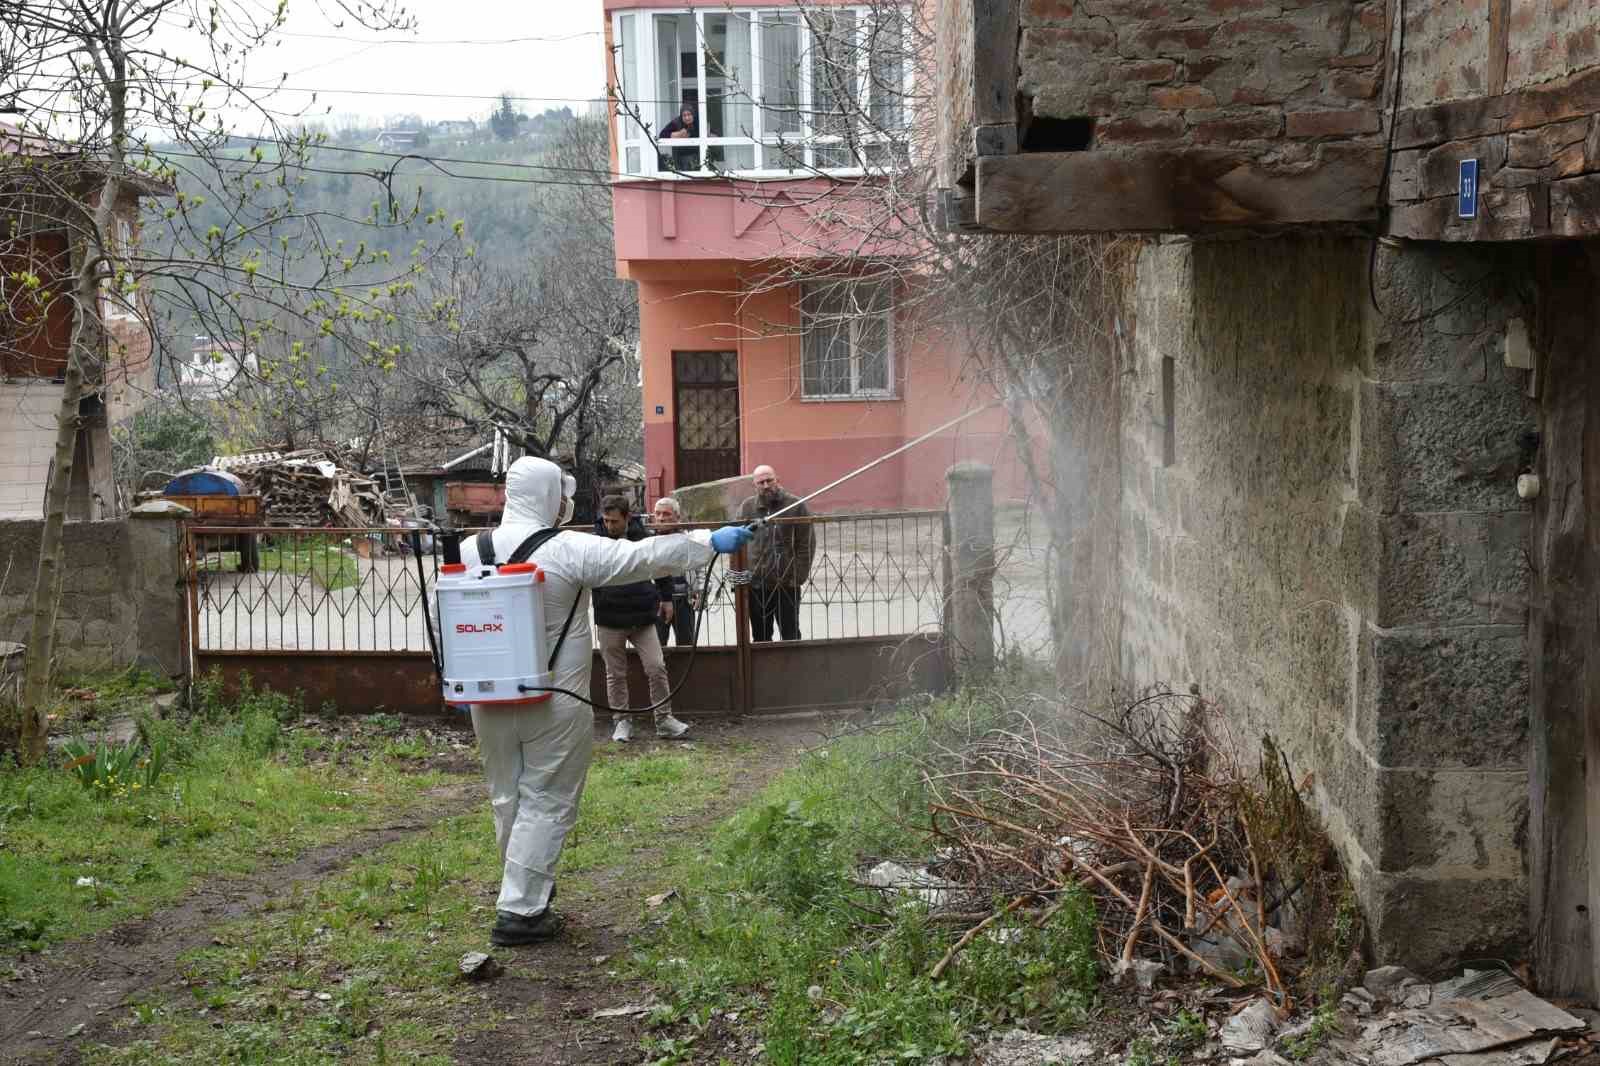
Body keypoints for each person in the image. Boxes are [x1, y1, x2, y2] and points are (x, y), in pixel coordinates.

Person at [448, 457, 752, 946]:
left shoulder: (471, 547)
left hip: (487, 696)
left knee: (508, 795)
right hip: (554, 700)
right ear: (550, 497)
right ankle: (520, 911)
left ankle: (522, 891)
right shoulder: (566, 548)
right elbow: (640, 559)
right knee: (546, 798)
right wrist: (707, 542)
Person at [593, 494, 691, 744]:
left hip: (642, 615)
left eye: (614, 521)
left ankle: (664, 720)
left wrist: (667, 598)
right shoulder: (595, 542)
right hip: (609, 616)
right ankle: (622, 722)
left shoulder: (645, 538)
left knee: (656, 667)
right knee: (615, 673)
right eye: (605, 521)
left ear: (627, 517)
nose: (609, 526)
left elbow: (660, 566)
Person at [736, 464, 814, 642]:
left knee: (790, 634)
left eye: (769, 480)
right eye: (760, 482)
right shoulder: (747, 507)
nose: (765, 485)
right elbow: (737, 542)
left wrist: (797, 577)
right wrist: (741, 576)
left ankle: (792, 669)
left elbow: (806, 544)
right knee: (761, 636)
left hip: (786, 583)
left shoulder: (795, 505)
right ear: (755, 485)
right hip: (756, 584)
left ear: (777, 480)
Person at [650, 496, 697, 648]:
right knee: (656, 647)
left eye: (666, 514)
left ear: (677, 517)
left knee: (686, 646)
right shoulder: (648, 541)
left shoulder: (689, 540)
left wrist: (699, 591)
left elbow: (699, 566)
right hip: (657, 600)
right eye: (657, 514)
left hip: (684, 599)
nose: (661, 518)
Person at [658, 105, 698, 170]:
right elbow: (662, 135)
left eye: (689, 114)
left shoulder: (698, 122)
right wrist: (678, 134)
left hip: (698, 155)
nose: (687, 118)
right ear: (681, 116)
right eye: (684, 115)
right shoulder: (676, 122)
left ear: (693, 115)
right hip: (680, 157)